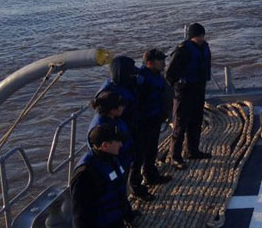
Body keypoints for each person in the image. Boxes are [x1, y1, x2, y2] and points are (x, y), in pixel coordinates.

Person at [71, 123, 140, 228]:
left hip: (116, 219)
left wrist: (128, 216)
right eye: (117, 142)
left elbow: (119, 192)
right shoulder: (85, 174)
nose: (121, 144)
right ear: (105, 145)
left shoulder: (111, 158)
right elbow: (81, 215)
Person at [88, 91, 152, 201]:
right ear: (113, 109)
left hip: (124, 158)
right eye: (121, 106)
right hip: (116, 161)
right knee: (115, 187)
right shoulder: (101, 127)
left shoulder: (114, 118)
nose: (123, 108)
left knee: (122, 186)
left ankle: (125, 208)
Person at [165, 22, 212, 169]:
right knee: (180, 124)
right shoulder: (183, 51)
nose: (201, 38)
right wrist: (178, 86)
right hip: (184, 92)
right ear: (192, 37)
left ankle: (192, 150)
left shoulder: (204, 47)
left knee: (196, 121)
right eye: (198, 36)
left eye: (202, 35)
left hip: (199, 88)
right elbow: (169, 74)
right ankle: (175, 157)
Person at [135, 48, 172, 185]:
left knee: (152, 150)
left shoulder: (157, 75)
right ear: (150, 63)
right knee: (141, 153)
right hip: (145, 121)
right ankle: (137, 183)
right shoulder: (142, 79)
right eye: (160, 60)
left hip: (156, 117)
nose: (163, 63)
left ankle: (151, 175)